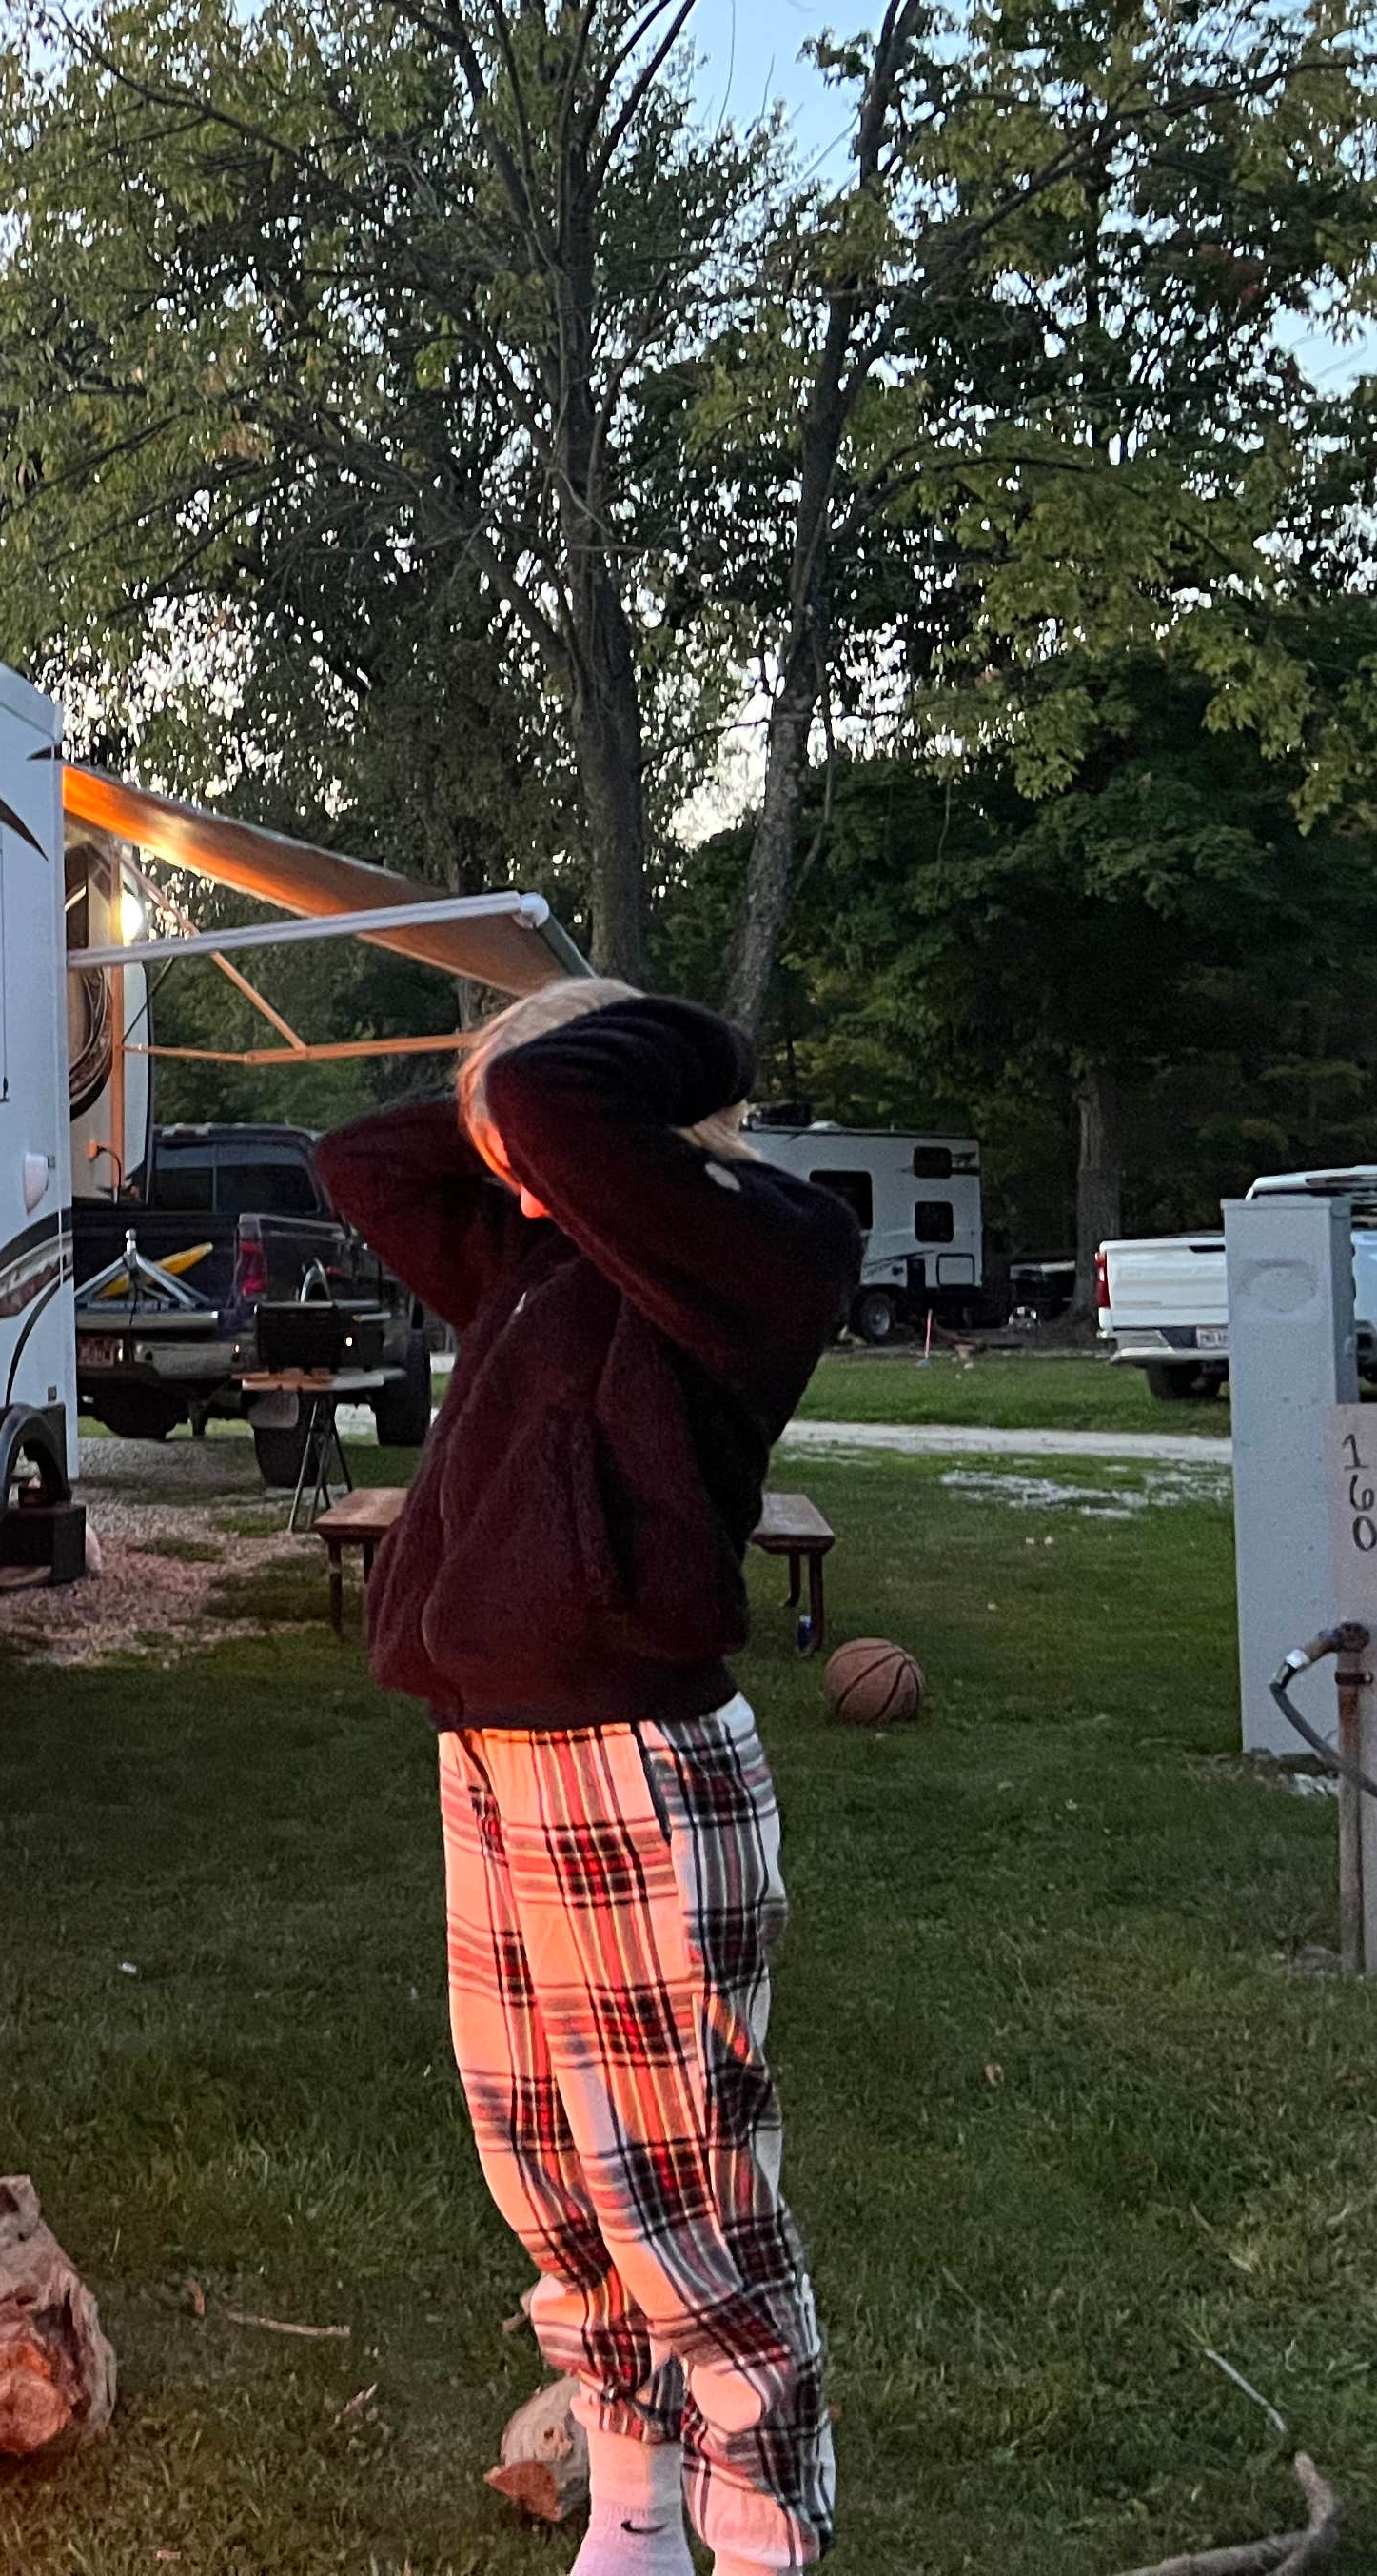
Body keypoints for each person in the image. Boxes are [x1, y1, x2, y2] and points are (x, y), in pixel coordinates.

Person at [315, 981, 858, 2576]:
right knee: (545, 2164)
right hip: (487, 1756)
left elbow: (559, 1117)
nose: (509, 1151)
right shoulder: (541, 1254)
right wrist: (491, 1102)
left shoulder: (766, 1238)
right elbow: (363, 1165)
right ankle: (635, 2517)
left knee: (682, 2195)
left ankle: (761, 2543)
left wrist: (670, 1058)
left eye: (531, 1113)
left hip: (636, 1761)